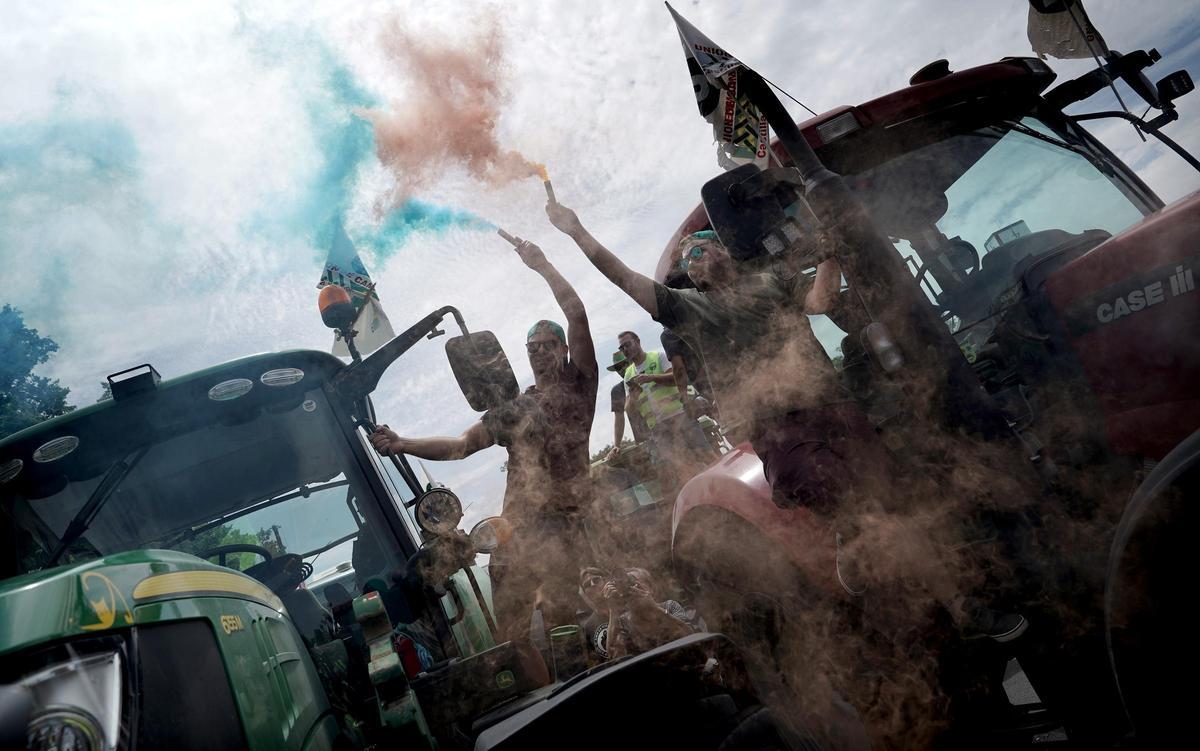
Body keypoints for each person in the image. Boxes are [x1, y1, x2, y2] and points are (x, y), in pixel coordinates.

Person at [545, 200, 880, 513]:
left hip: (833, 402)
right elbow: (625, 278)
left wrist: (828, 255)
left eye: (696, 252)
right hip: (776, 425)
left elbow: (820, 301)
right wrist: (576, 230)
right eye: (686, 262)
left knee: (883, 480)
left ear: (724, 250)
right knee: (818, 480)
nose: (690, 264)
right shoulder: (689, 306)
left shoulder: (772, 277)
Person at [370, 238, 598, 637]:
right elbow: (461, 446)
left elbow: (576, 313)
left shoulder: (580, 387)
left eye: (548, 345)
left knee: (566, 626)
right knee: (511, 635)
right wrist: (403, 443)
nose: (539, 352)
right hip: (514, 533)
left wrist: (542, 264)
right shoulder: (517, 409)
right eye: (532, 347)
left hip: (566, 527)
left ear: (564, 349)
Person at [578, 566, 704, 660]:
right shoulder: (624, 621)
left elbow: (692, 638)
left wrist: (654, 608)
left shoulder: (669, 606)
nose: (632, 590)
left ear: (650, 588)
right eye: (628, 587)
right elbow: (613, 656)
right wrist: (613, 610)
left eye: (636, 583)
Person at [606, 350, 649, 462]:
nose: (621, 370)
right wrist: (617, 445)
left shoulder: (648, 377)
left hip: (665, 430)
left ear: (631, 362)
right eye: (617, 368)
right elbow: (619, 419)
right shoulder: (617, 391)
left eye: (624, 364)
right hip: (644, 441)